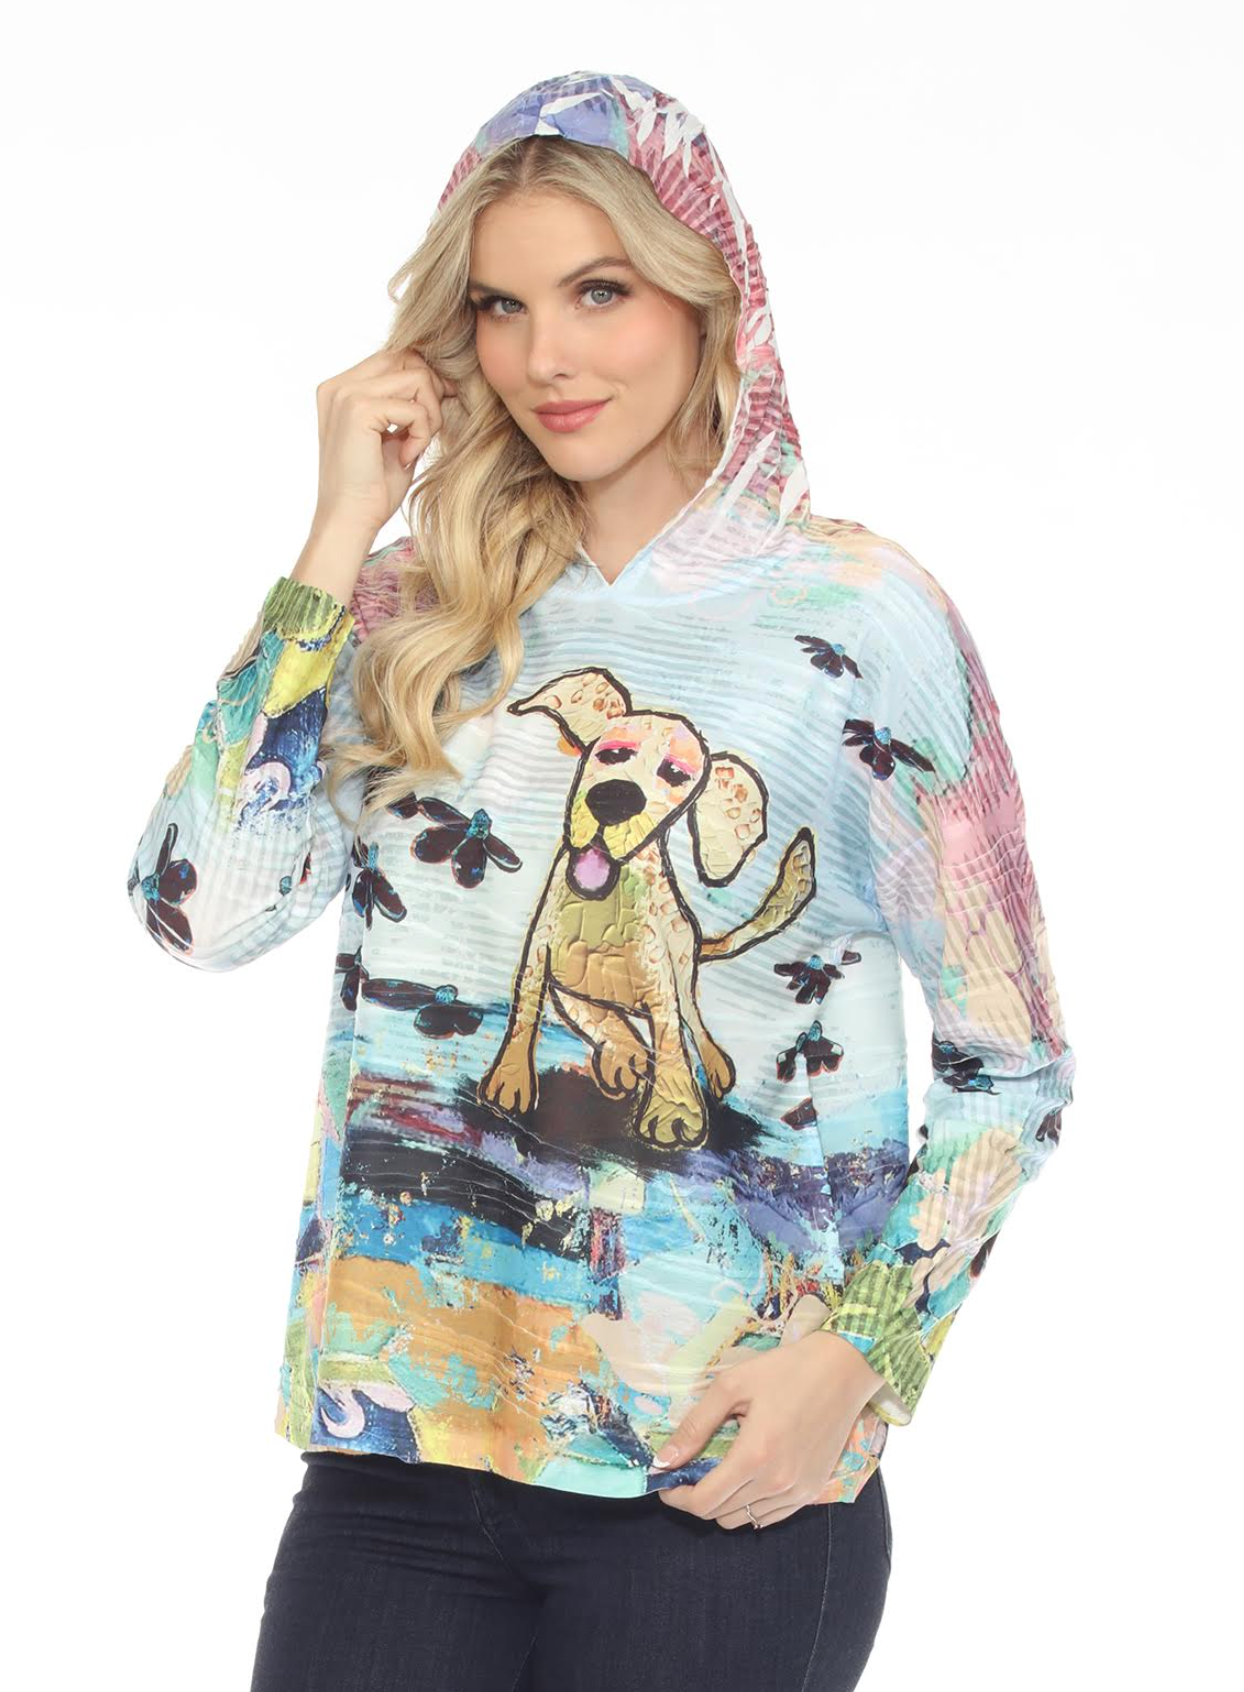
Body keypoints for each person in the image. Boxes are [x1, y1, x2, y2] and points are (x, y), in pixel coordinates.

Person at [125, 68, 1075, 1692]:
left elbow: (1018, 1066)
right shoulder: (418, 611)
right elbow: (194, 910)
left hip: (717, 1478)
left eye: (600, 293)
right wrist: (338, 531)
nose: (545, 357)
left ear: (711, 299)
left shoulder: (858, 621)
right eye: (501, 307)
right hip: (400, 1452)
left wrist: (861, 1358)